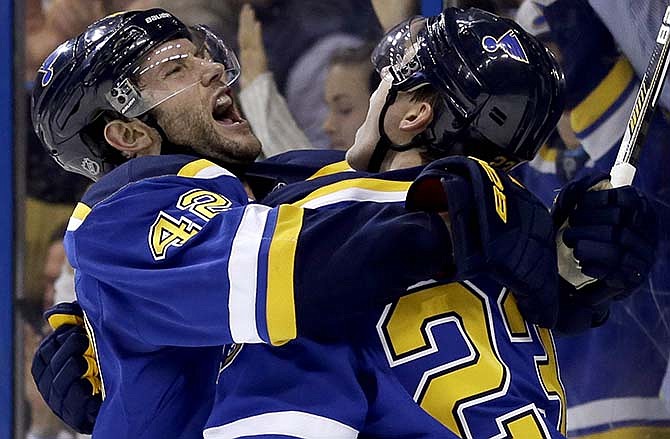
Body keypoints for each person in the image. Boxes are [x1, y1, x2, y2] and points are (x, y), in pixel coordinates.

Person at [31, 7, 658, 439]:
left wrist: (574, 253)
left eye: (204, 56)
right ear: (125, 133)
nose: (215, 70)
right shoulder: (129, 206)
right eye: (176, 69)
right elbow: (301, 267)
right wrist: (479, 223)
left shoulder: (308, 191)